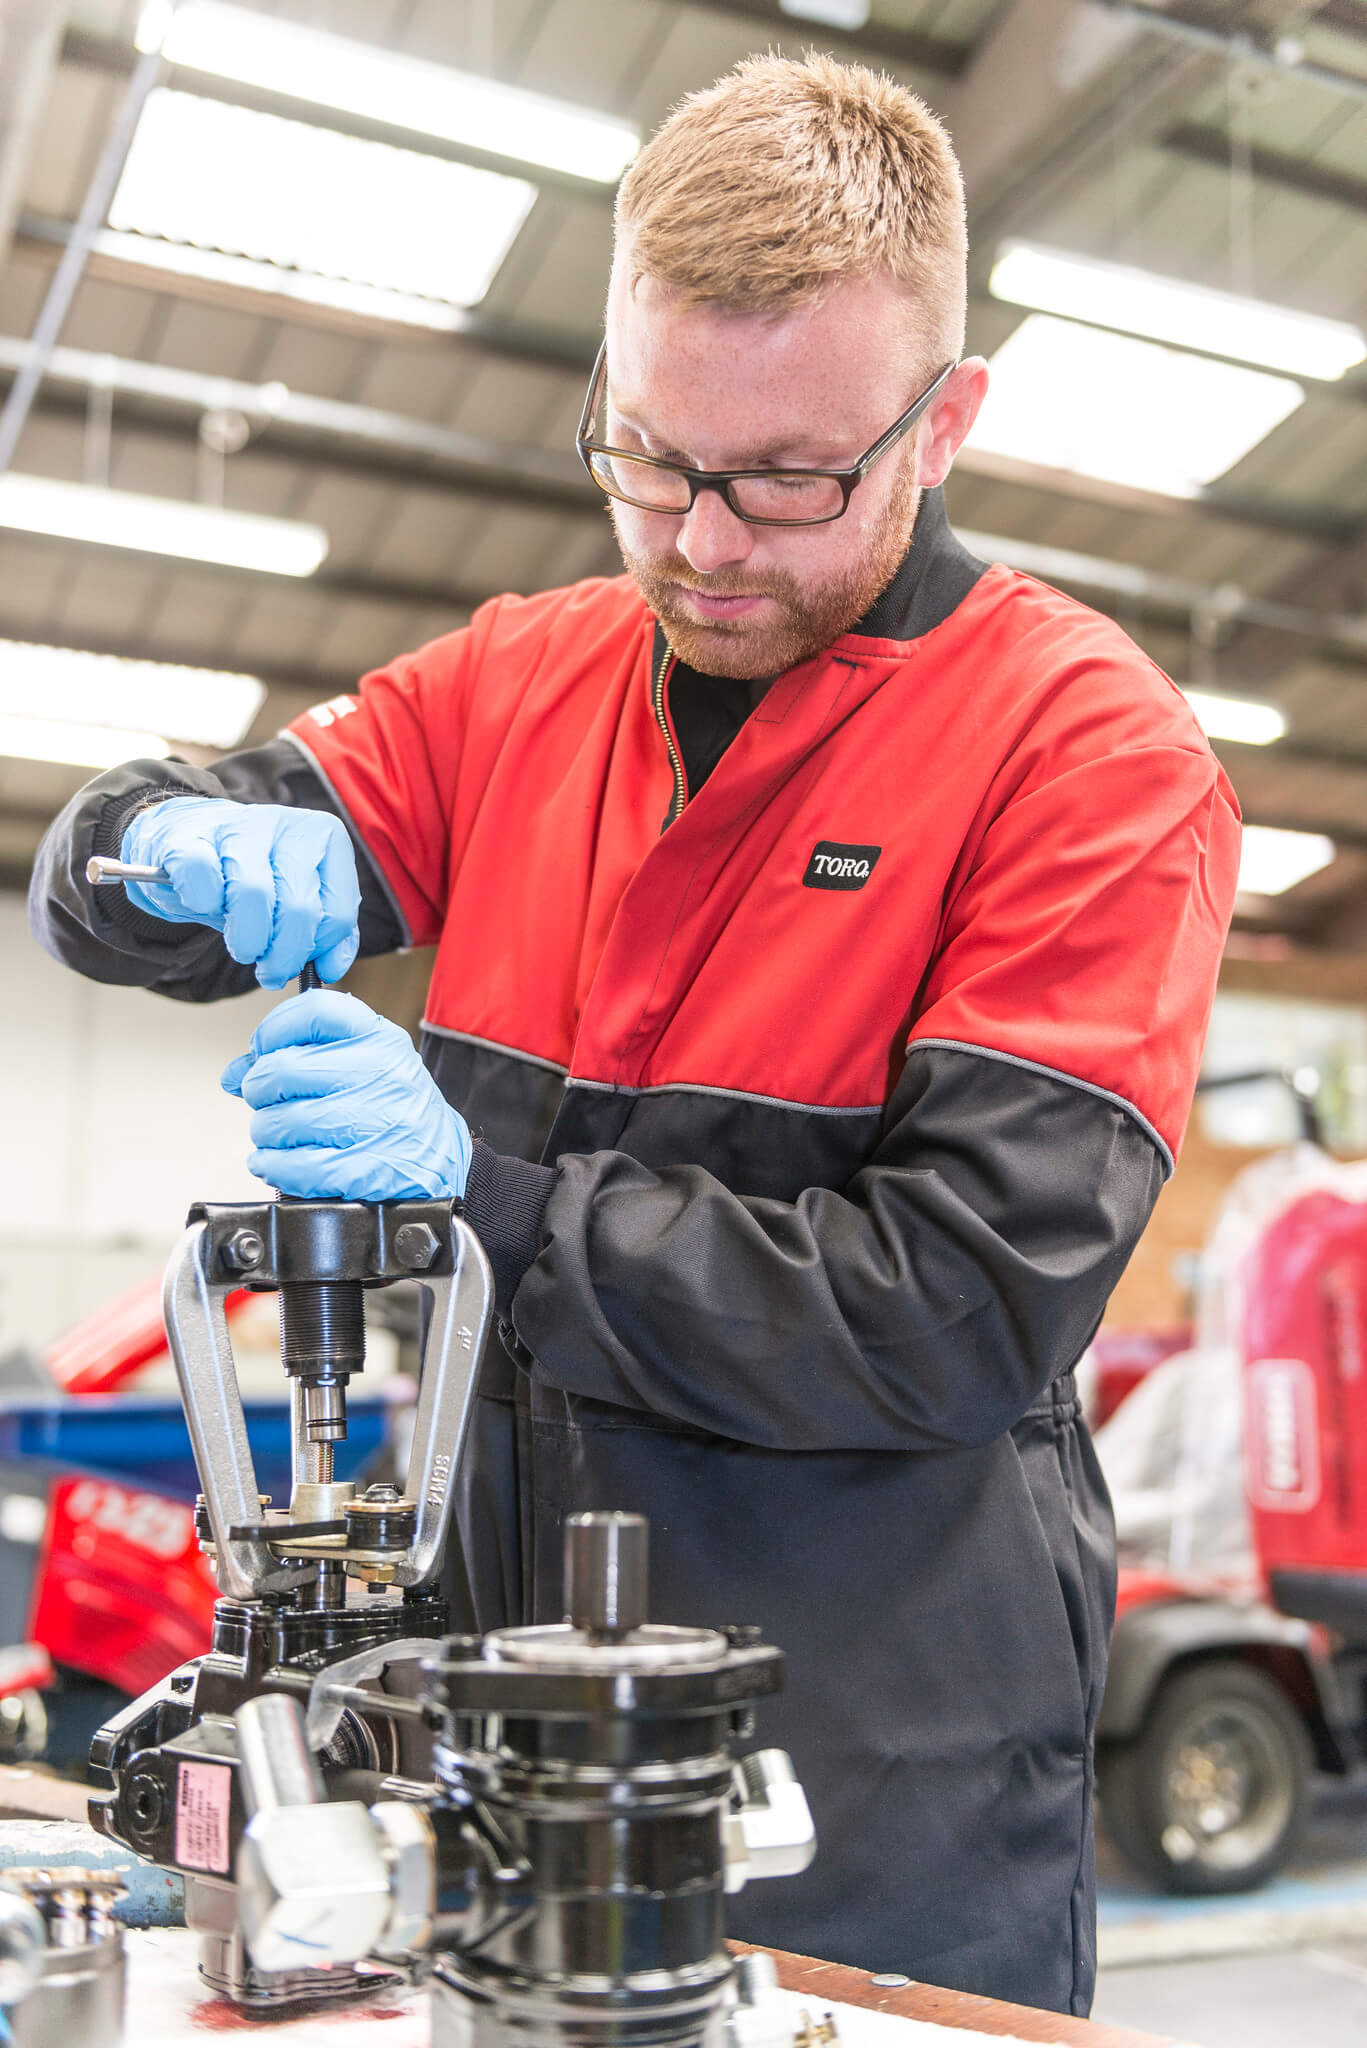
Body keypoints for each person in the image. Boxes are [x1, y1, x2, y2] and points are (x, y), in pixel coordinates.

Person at [30, 53, 1240, 2017]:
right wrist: (147, 840)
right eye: (653, 459)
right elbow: (105, 889)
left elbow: (952, 1311)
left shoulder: (1088, 758)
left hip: (861, 1794)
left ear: (946, 421)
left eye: (789, 481)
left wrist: (487, 1198)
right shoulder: (522, 682)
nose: (704, 545)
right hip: (482, 1742)